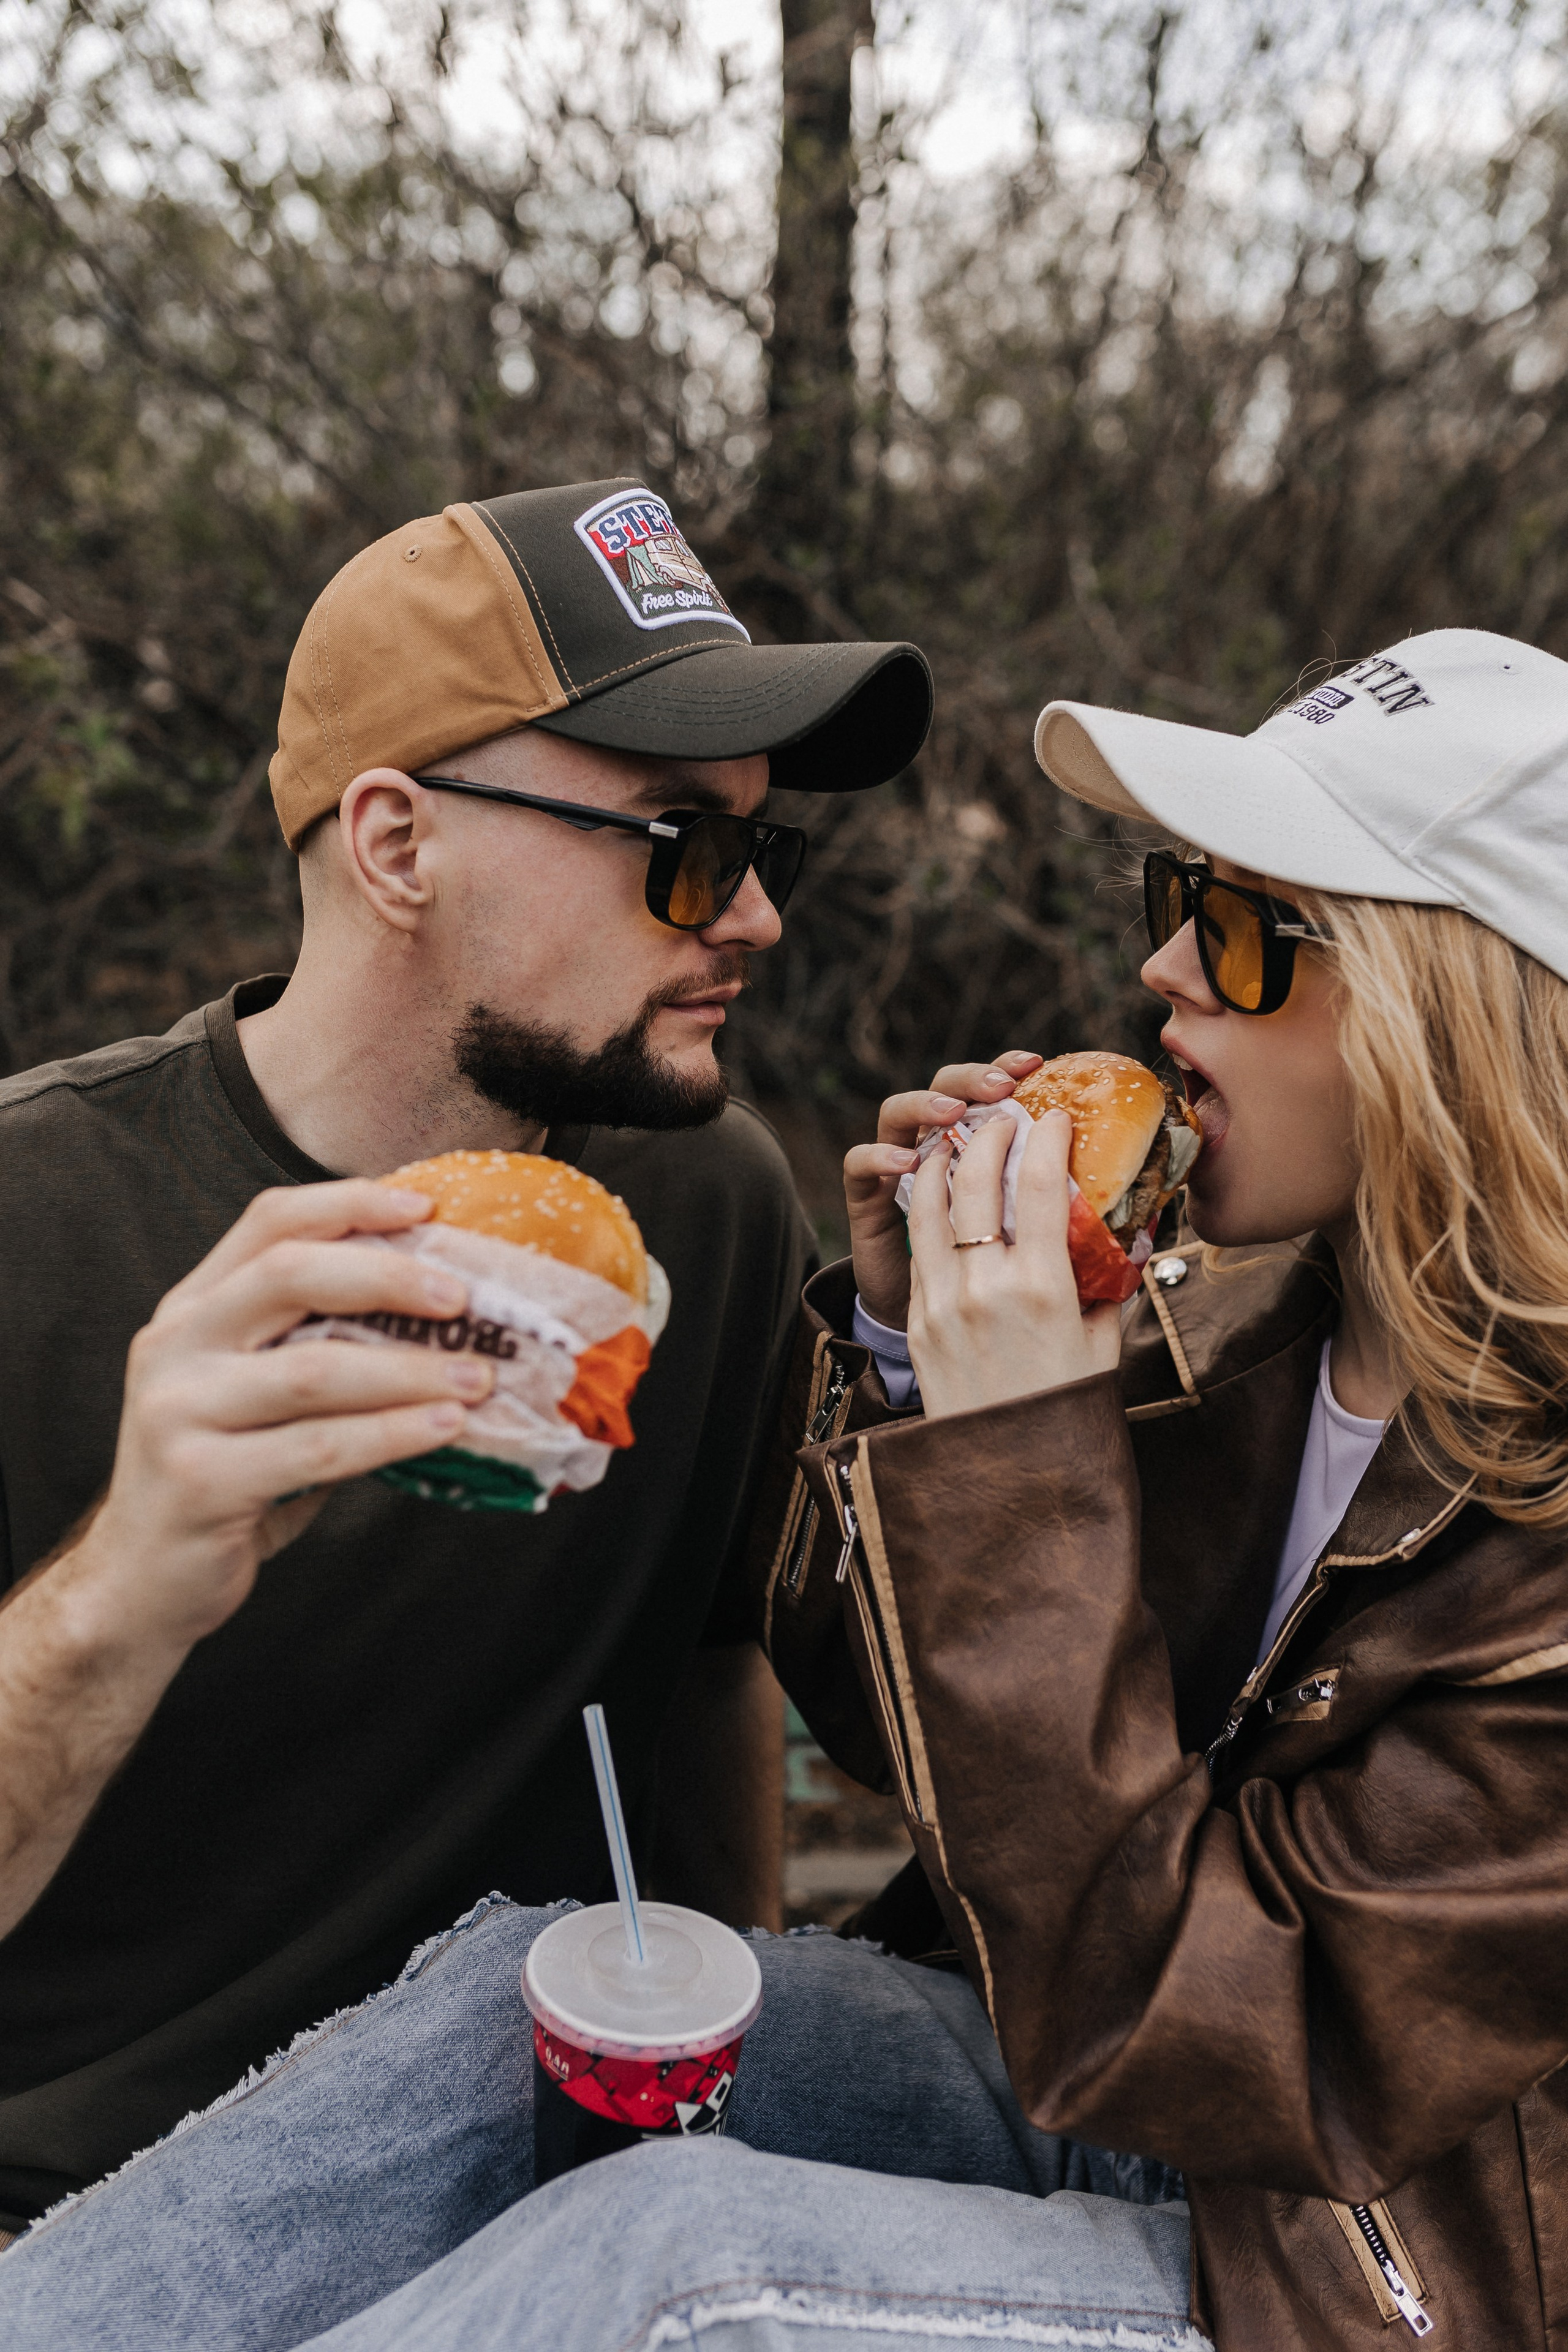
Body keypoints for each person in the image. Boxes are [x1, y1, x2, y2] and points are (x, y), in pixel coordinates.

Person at [7, 625, 1564, 2352]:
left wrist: (1014, 1475)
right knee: (512, 2002)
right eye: (1180, 895)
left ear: (1455, 1013)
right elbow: (915, 1737)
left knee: (675, 2255)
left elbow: (1219, 2036)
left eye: (1260, 936)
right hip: (1093, 2073)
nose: (1171, 974)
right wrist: (906, 1363)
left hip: (1352, 2251)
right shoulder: (1255, 1309)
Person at [0, 476, 933, 2242]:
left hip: (548, 2169)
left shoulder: (711, 1206)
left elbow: (711, 1669)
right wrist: (119, 1589)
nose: (754, 922)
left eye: (762, 851)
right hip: (86, 2217)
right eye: (684, 846)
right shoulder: (33, 1223)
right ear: (398, 843)